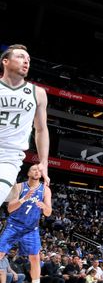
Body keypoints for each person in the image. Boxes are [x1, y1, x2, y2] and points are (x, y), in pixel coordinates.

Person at [0, 45, 50, 203]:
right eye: (21, 57)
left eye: (28, 59)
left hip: (9, 157)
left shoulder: (38, 93)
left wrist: (44, 162)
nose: (26, 61)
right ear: (5, 61)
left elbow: (41, 130)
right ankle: (12, 191)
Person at [0, 164, 51, 283]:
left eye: (39, 170)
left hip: (31, 228)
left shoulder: (45, 190)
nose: (37, 171)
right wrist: (24, 199)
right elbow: (10, 208)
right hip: (14, 225)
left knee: (35, 258)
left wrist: (44, 206)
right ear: (28, 173)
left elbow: (48, 212)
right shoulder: (19, 187)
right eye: (34, 169)